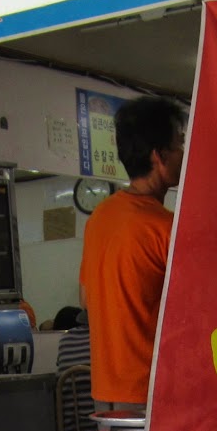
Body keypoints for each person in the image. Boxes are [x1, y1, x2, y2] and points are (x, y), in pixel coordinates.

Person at [79, 95, 186, 408]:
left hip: (107, 397)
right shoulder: (166, 229)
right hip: (154, 396)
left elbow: (85, 299)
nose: (184, 152)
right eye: (179, 143)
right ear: (159, 156)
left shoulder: (100, 217)